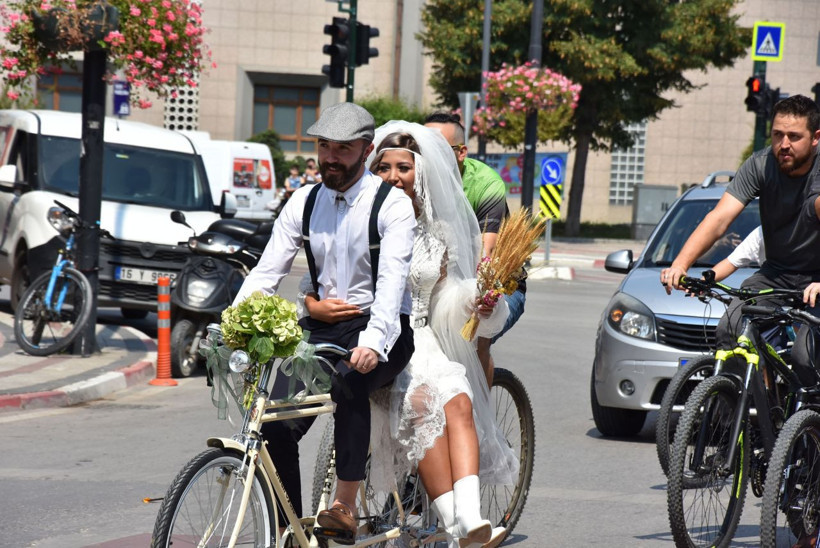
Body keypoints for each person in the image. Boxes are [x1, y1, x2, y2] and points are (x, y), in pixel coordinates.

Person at [303, 121, 516, 548]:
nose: (394, 176)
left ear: (421, 173)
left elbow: (445, 297)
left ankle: (472, 518)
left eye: (404, 167)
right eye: (384, 167)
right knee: (422, 403)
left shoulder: (438, 230)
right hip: (379, 338)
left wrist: (478, 299)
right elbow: (326, 273)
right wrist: (310, 303)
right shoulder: (364, 217)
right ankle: (454, 520)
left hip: (423, 338)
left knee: (458, 397)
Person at [232, 102, 417, 542]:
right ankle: (290, 528)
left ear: (366, 150)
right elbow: (268, 269)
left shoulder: (392, 206)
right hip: (322, 328)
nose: (331, 157)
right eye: (324, 146)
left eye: (343, 148)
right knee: (275, 419)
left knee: (351, 381)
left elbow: (392, 285)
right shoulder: (304, 199)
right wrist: (232, 323)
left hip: (383, 328)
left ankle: (344, 506)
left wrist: (373, 342)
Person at [661, 95, 820, 392]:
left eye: (794, 136)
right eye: (777, 135)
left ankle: (810, 427)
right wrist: (681, 264)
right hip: (776, 274)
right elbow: (719, 218)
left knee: (804, 355)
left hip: (817, 280)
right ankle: (751, 412)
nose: (783, 144)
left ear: (815, 138)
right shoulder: (760, 165)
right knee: (731, 327)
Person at [424, 112, 526, 387]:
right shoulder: (414, 179)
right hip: (439, 283)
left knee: (474, 337)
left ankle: (480, 421)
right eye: (423, 149)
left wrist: (477, 298)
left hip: (499, 285)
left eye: (439, 150)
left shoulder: (486, 183)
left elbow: (484, 254)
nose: (428, 157)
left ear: (461, 152)